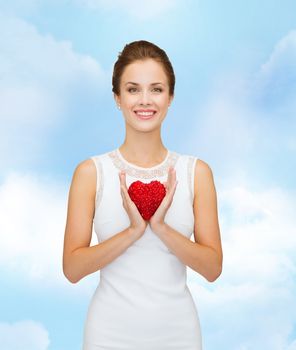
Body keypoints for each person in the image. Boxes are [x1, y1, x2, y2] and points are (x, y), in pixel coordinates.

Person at [62, 40, 223, 350]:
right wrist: (133, 231)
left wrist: (160, 227)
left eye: (157, 89)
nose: (145, 100)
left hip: (178, 334)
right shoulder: (91, 173)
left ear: (170, 97)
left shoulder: (196, 173)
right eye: (133, 89)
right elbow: (72, 269)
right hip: (108, 335)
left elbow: (212, 268)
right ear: (117, 98)